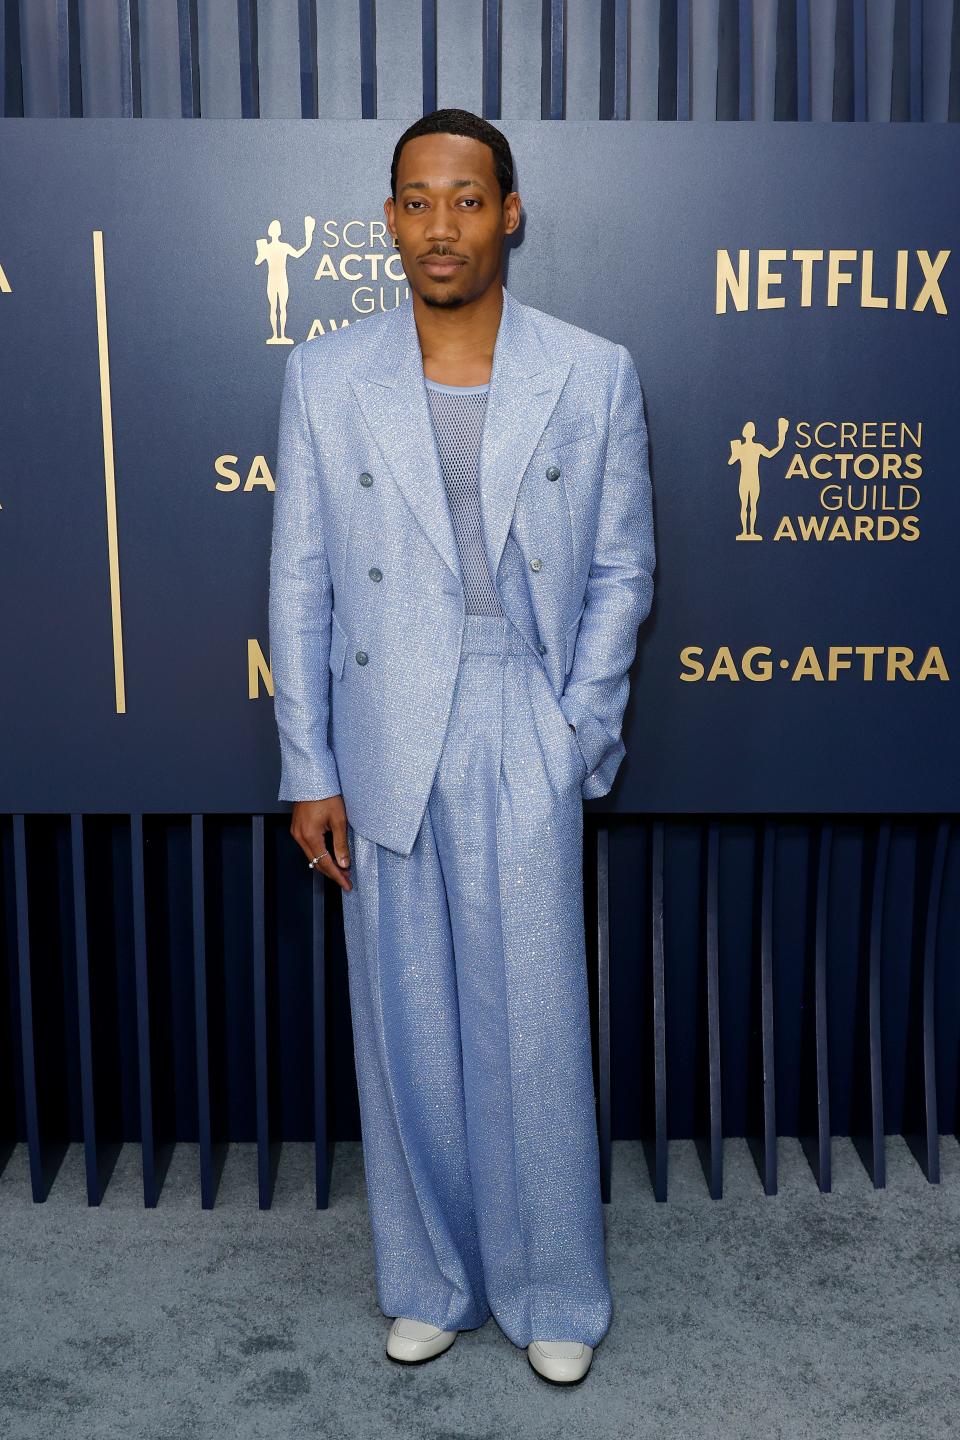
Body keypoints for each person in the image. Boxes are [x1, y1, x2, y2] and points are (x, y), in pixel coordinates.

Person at [268, 107, 655, 1385]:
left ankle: (552, 1288)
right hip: (385, 724)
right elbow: (305, 583)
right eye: (418, 201)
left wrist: (575, 732)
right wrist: (307, 763)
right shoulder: (327, 376)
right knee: (407, 1024)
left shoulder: (591, 372)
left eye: (468, 199)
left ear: (511, 213)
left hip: (517, 713)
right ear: (389, 220)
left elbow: (620, 570)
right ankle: (430, 1276)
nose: (443, 225)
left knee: (535, 1024)